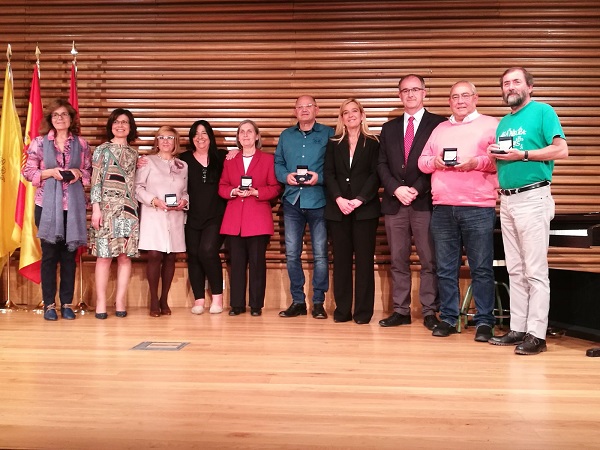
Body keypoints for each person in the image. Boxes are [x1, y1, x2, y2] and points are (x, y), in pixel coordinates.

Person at [487, 67, 568, 355]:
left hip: (533, 197)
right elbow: (505, 160)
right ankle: (518, 328)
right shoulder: (504, 123)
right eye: (506, 83)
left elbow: (561, 149)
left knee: (535, 271)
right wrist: (495, 159)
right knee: (515, 269)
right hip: (508, 201)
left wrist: (523, 154)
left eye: (516, 82)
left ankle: (537, 335)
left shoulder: (543, 111)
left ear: (529, 87)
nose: (510, 87)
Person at [418, 81, 499, 341]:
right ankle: (449, 318)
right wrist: (435, 161)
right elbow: (422, 162)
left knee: (481, 268)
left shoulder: (492, 125)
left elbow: (500, 160)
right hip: (443, 207)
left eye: (465, 96)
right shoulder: (440, 129)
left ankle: (484, 321)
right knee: (445, 268)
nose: (460, 101)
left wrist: (476, 162)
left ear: (476, 98)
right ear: (449, 101)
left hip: (478, 206)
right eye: (455, 97)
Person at [377, 74, 447, 329]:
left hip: (424, 201)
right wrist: (396, 189)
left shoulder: (439, 124)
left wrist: (416, 189)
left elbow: (440, 162)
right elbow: (381, 164)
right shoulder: (389, 128)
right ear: (399, 95)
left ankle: (429, 311)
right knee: (398, 259)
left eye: (415, 89)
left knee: (429, 260)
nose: (410, 94)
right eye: (405, 90)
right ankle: (401, 310)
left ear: (424, 93)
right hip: (395, 202)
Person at [22, 98, 92, 321]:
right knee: (50, 256)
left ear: (71, 119)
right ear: (50, 119)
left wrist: (79, 173)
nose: (60, 118)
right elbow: (28, 172)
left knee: (69, 257)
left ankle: (67, 304)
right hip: (46, 207)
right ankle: (49, 305)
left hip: (73, 207)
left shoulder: (82, 144)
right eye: (55, 115)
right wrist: (50, 173)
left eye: (64, 114)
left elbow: (90, 172)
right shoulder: (39, 143)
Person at [274, 95, 334, 319]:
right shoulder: (286, 135)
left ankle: (318, 302)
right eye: (300, 107)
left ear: (317, 109)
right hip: (292, 201)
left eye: (309, 106)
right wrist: (285, 176)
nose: (304, 109)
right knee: (292, 254)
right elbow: (278, 162)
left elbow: (336, 165)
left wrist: (320, 178)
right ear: (295, 111)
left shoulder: (329, 134)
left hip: (319, 200)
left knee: (320, 255)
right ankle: (298, 301)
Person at [324, 98, 380, 324]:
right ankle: (342, 310)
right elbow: (329, 174)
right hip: (338, 210)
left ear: (362, 114)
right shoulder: (333, 143)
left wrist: (359, 200)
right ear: (342, 118)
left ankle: (363, 313)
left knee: (364, 262)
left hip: (365, 210)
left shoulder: (374, 142)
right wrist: (338, 198)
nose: (350, 115)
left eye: (354, 111)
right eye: (345, 112)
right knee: (341, 262)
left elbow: (375, 175)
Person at [218, 120, 282, 316]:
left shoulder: (268, 159)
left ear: (256, 136)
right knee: (236, 264)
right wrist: (233, 191)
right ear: (238, 137)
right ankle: (237, 304)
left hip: (258, 219)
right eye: (242, 132)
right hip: (234, 220)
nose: (245, 135)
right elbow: (222, 186)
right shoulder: (230, 160)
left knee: (257, 264)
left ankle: (256, 305)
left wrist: (256, 192)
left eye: (249, 131)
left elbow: (275, 188)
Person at [89, 108, 140, 319]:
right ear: (111, 126)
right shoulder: (102, 150)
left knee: (124, 257)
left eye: (125, 122)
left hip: (129, 210)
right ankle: (101, 302)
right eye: (116, 122)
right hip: (106, 210)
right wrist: (96, 209)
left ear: (130, 127)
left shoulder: (134, 154)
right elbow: (95, 181)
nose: (120, 125)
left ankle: (120, 300)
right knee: (104, 257)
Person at [135, 126, 188, 317]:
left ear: (175, 142)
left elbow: (185, 191)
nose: (166, 141)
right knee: (154, 254)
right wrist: (154, 201)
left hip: (175, 216)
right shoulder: (147, 161)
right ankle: (153, 300)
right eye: (162, 137)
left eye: (170, 138)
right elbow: (137, 188)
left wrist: (184, 201)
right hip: (153, 214)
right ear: (157, 141)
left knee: (171, 256)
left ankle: (164, 299)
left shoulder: (183, 165)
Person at [179, 120, 228, 315]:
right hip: (192, 216)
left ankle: (217, 297)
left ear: (210, 136)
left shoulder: (222, 156)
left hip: (216, 215)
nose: (200, 137)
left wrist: (235, 152)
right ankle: (198, 299)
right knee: (194, 255)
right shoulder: (183, 159)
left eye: (204, 133)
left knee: (207, 251)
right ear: (192, 138)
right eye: (196, 134)